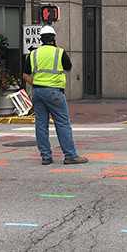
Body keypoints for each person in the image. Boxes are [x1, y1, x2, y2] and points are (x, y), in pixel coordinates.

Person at [23, 25, 87, 166]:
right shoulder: (59, 52)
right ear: (53, 38)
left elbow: (25, 75)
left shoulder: (33, 54)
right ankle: (70, 155)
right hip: (53, 92)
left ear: (41, 39)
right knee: (62, 122)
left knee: (41, 124)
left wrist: (37, 84)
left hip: (38, 92)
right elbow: (68, 69)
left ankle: (46, 156)